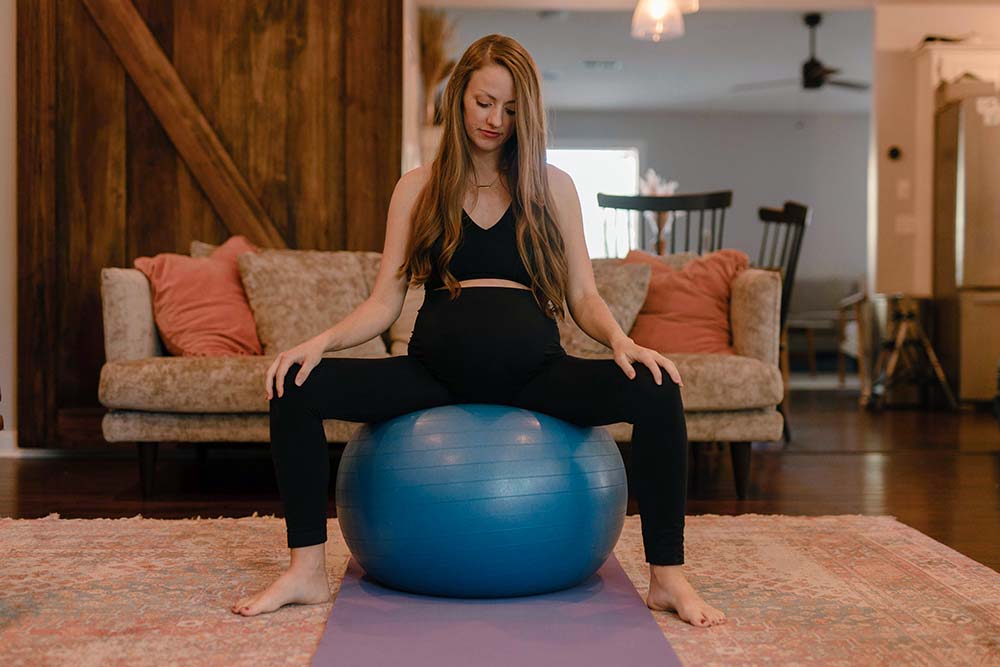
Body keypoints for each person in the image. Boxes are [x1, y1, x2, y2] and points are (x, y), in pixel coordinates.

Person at [231, 34, 726, 628]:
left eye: (512, 109)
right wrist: (320, 342)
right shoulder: (417, 187)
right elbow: (385, 301)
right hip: (433, 375)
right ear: (459, 94)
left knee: (658, 387)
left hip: (536, 375)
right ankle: (306, 571)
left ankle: (667, 579)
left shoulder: (552, 186)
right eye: (485, 102)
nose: (496, 120)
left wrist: (622, 341)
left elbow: (582, 296)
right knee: (293, 385)